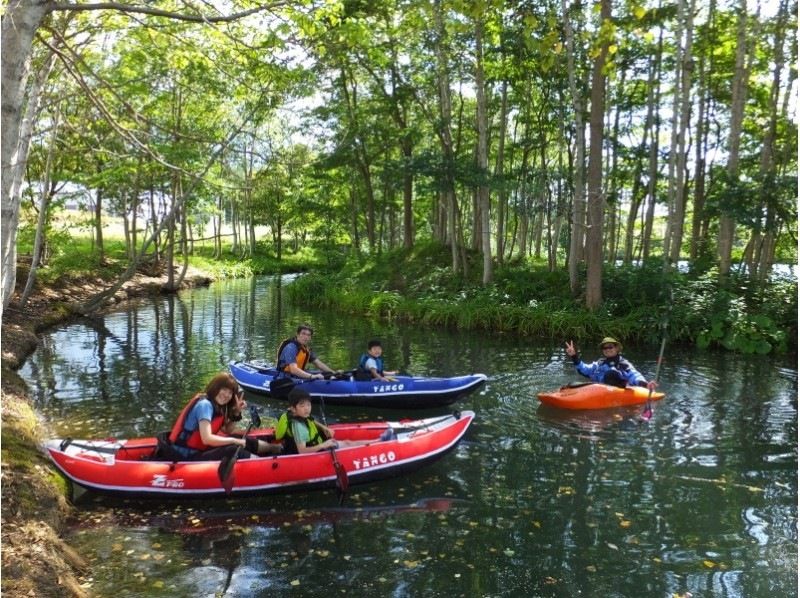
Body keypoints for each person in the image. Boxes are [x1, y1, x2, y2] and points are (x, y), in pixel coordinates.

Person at [168, 373, 280, 460]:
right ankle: (265, 465)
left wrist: (236, 412)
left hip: (201, 448)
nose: (226, 395)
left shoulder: (217, 405)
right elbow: (207, 439)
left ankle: (275, 449)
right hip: (187, 454)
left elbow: (228, 430)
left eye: (230, 392)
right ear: (215, 387)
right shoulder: (205, 405)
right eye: (224, 390)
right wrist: (233, 441)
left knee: (239, 439)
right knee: (233, 448)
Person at [274, 388, 381, 454]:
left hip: (315, 445)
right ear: (293, 408)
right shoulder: (299, 427)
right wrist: (324, 445)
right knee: (347, 443)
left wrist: (323, 427)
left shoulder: (296, 414)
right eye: (302, 405)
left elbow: (310, 420)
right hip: (314, 451)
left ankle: (378, 441)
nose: (307, 408)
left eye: (308, 404)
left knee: (347, 442)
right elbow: (302, 451)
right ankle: (379, 442)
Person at [564, 337, 657, 390]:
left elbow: (634, 375)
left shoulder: (623, 363)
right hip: (599, 390)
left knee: (611, 373)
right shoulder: (599, 363)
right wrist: (574, 356)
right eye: (605, 348)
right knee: (572, 384)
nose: (608, 349)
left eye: (610, 347)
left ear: (616, 348)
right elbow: (584, 369)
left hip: (617, 391)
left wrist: (646, 384)